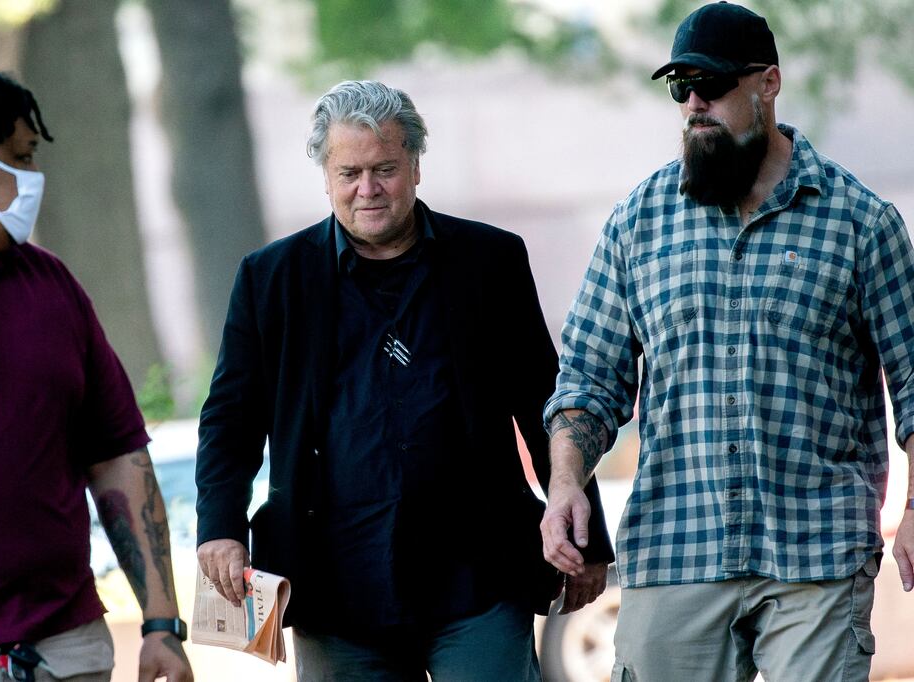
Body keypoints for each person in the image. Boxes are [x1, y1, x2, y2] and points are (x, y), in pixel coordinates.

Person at [541, 3, 914, 681]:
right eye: (680, 87)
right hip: (675, 551)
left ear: (767, 84)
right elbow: (589, 382)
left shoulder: (861, 224)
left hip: (818, 555)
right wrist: (566, 484)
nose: (694, 102)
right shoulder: (638, 222)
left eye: (710, 84)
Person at [195, 79, 614, 681]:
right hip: (334, 586)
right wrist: (220, 529)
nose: (368, 189)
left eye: (385, 169)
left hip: (478, 579)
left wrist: (587, 535)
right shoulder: (272, 279)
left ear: (416, 166)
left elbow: (544, 401)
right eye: (350, 173)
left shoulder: (490, 261)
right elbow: (230, 421)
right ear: (326, 176)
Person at [0, 68, 192, 682]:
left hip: (64, 647)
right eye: (22, 157)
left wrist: (162, 625)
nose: (36, 179)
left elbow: (116, 456)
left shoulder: (51, 285)